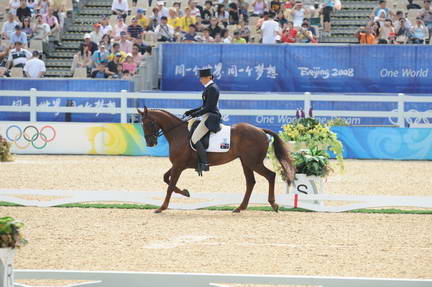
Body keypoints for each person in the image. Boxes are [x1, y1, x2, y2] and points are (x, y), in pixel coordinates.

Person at [183, 68, 221, 173]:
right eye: (200, 78)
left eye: (202, 78)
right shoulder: (208, 88)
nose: (201, 80)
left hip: (211, 117)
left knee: (194, 138)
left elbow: (209, 107)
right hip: (207, 115)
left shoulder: (212, 88)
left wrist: (195, 114)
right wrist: (191, 111)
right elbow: (204, 106)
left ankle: (205, 163)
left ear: (209, 77)